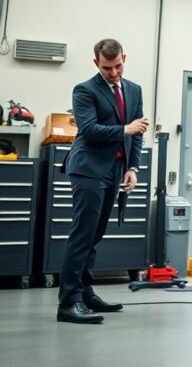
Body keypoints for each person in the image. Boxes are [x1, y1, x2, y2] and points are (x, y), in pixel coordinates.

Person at [57, 39, 148, 324]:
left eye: (118, 65)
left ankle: (85, 293)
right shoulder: (85, 90)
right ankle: (68, 303)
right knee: (82, 235)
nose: (114, 72)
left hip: (114, 169)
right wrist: (126, 128)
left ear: (124, 58)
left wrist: (132, 167)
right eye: (107, 68)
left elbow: (138, 132)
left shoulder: (134, 90)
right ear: (96, 63)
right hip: (87, 168)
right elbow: (89, 129)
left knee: (95, 236)